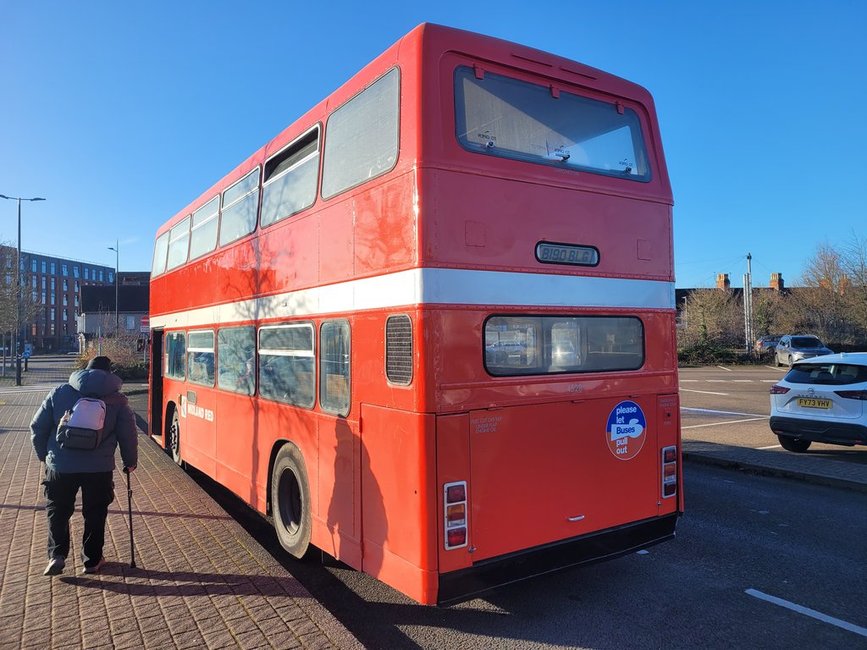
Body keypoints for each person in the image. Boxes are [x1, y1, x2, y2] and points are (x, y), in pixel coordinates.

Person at [30, 355, 138, 576]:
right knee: (96, 513)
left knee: (57, 510)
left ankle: (57, 555)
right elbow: (128, 435)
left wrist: (44, 455)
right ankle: (91, 560)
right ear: (110, 374)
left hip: (60, 466)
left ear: (84, 370)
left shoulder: (59, 392)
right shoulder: (118, 400)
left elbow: (38, 427)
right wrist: (130, 462)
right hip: (99, 468)